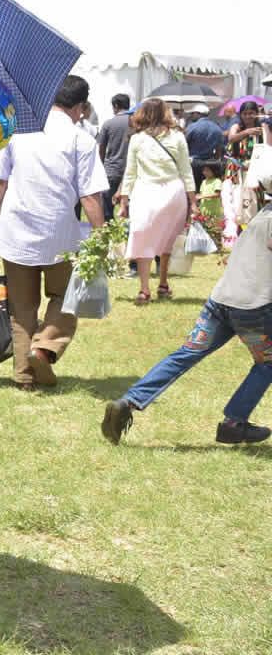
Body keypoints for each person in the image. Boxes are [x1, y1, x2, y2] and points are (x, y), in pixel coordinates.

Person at [102, 178, 272, 447]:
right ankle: (234, 423)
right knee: (268, 362)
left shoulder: (264, 214)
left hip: (219, 302)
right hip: (251, 308)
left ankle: (128, 401)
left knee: (185, 354)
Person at [0, 75, 108, 390]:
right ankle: (45, 348)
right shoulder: (82, 140)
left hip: (16, 232)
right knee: (66, 298)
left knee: (22, 308)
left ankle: (25, 376)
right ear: (80, 108)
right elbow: (90, 196)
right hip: (60, 235)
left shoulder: (16, 130)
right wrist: (102, 233)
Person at [119, 98, 194, 306]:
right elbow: (186, 171)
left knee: (143, 238)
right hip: (173, 192)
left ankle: (144, 289)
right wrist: (193, 201)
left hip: (145, 193)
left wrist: (124, 201)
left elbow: (130, 173)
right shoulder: (178, 137)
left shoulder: (137, 139)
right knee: (167, 240)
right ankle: (163, 283)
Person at [225, 101, 269, 228]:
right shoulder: (236, 126)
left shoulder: (263, 127)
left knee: (254, 199)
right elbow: (231, 138)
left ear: (257, 114)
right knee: (236, 199)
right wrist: (247, 132)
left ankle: (255, 226)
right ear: (240, 114)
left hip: (255, 169)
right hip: (236, 169)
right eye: (245, 113)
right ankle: (236, 228)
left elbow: (267, 146)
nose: (248, 116)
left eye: (251, 113)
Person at [97, 94, 132, 221]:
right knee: (130, 206)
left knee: (107, 206)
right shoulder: (135, 123)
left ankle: (108, 231)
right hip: (131, 171)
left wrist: (100, 166)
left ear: (116, 106)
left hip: (112, 169)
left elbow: (101, 148)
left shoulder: (108, 124)